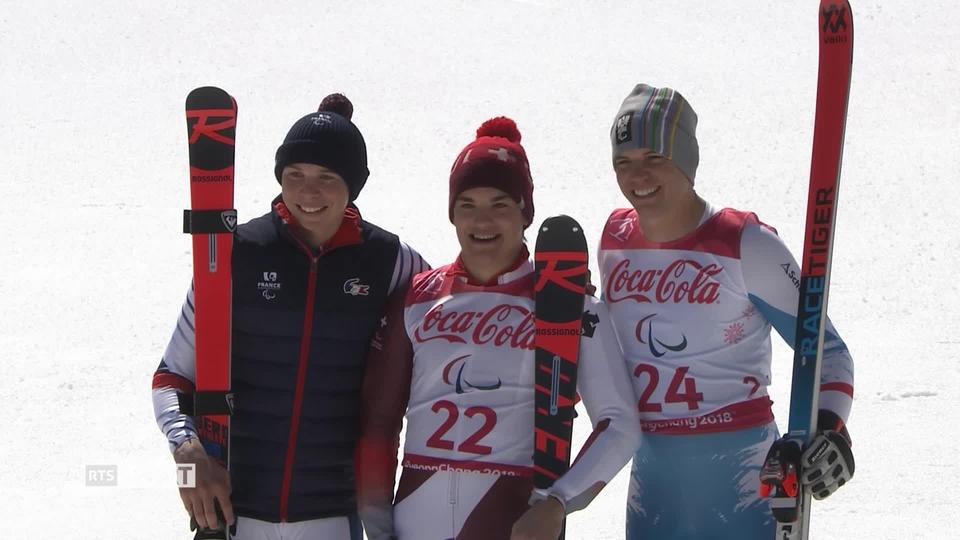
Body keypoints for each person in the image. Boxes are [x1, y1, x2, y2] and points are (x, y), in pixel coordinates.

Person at [151, 93, 428, 540]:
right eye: (294, 175)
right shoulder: (234, 254)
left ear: (353, 186)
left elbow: (456, 304)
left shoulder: (389, 261)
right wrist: (187, 457)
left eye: (326, 177)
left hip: (335, 517)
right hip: (235, 519)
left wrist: (549, 297)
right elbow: (170, 378)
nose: (307, 192)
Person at [354, 117, 642, 540]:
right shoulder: (417, 298)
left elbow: (620, 424)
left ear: (525, 214)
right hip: (415, 520)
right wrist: (377, 527)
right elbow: (378, 422)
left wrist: (559, 502)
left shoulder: (569, 305)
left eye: (500, 205)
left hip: (512, 522)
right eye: (467, 205)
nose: (481, 221)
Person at [597, 83, 855, 540]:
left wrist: (828, 431)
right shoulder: (615, 241)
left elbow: (827, 352)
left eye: (654, 158)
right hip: (654, 476)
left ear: (685, 161)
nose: (637, 176)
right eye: (624, 162)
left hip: (742, 472)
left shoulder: (745, 243)